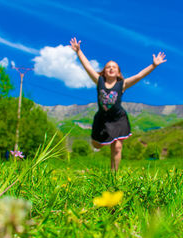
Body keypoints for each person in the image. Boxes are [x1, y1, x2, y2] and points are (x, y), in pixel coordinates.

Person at [69, 37, 167, 171]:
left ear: (118, 72)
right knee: (96, 145)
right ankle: (100, 143)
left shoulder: (123, 84)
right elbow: (87, 66)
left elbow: (139, 76)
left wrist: (153, 65)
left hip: (118, 119)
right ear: (104, 71)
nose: (111, 68)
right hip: (102, 120)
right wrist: (78, 51)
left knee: (117, 147)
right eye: (108, 67)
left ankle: (113, 175)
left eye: (114, 67)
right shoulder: (99, 81)